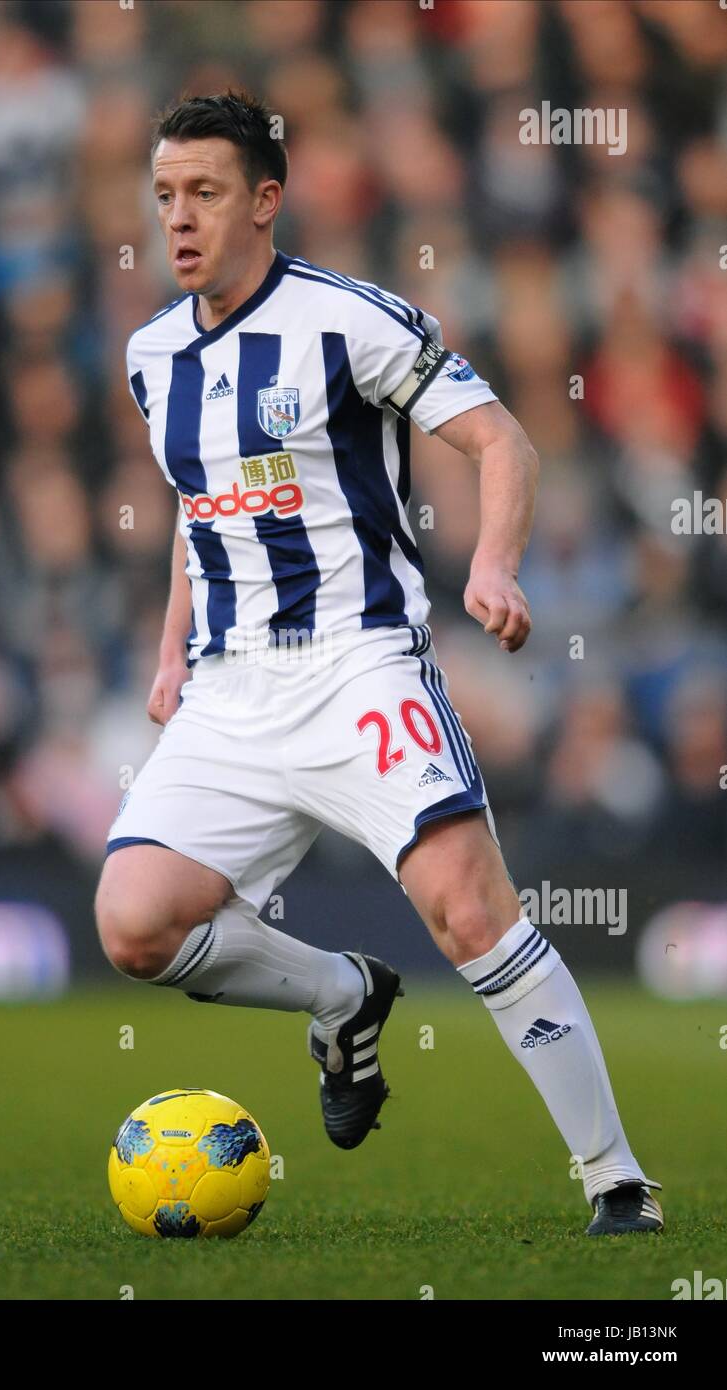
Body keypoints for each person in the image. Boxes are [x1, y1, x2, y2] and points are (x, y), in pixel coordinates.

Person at [95, 91, 662, 1237]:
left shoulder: (350, 320)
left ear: (266, 198)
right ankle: (344, 994)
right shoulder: (152, 354)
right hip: (230, 687)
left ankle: (615, 1178)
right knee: (133, 922)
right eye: (164, 197)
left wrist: (494, 566)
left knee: (468, 909)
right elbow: (195, 514)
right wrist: (169, 660)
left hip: (361, 671)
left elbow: (502, 437)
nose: (180, 220)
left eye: (204, 192)